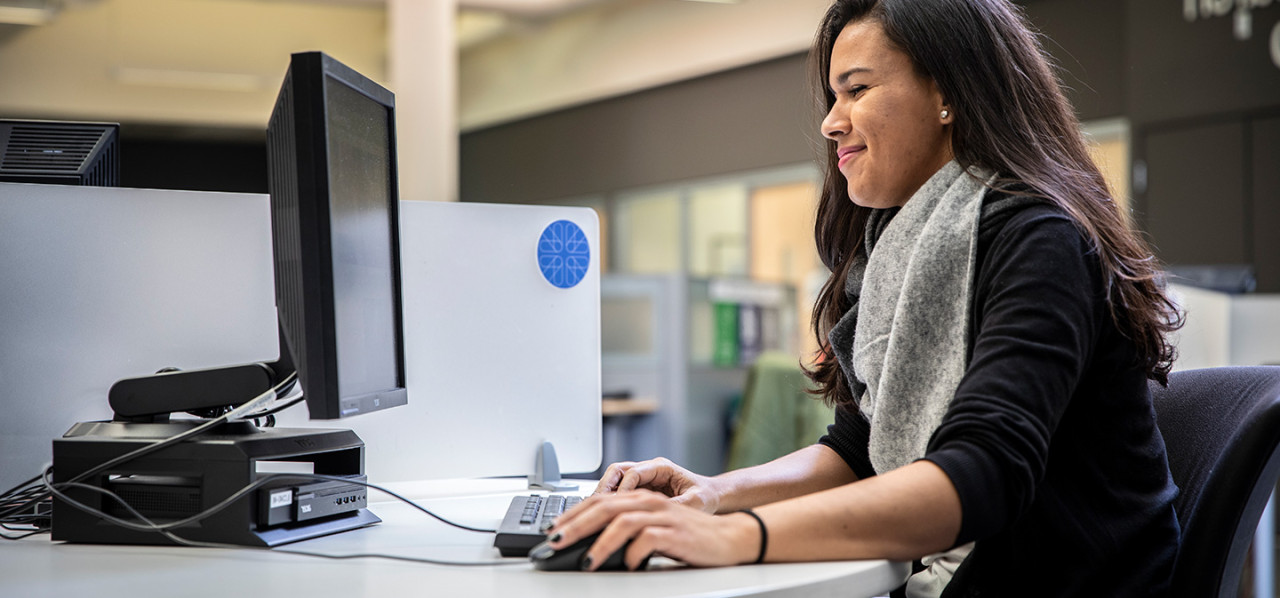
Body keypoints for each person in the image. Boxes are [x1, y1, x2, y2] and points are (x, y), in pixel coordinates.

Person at [546, 0, 1184, 595]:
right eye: (833, 96)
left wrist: (732, 536)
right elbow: (860, 449)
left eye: (857, 89)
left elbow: (984, 475)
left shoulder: (1039, 239)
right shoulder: (901, 248)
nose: (830, 121)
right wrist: (713, 494)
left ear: (947, 94)